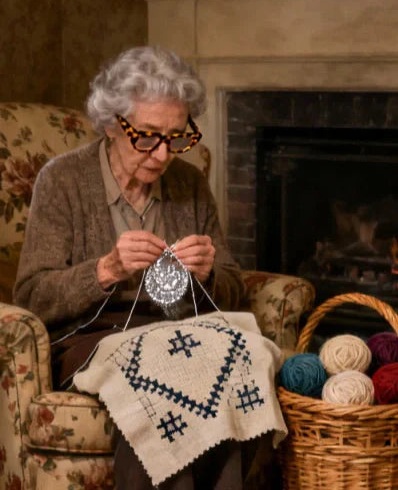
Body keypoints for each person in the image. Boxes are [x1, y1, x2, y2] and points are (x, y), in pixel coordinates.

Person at [14, 46, 250, 489]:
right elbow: (31, 296)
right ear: (110, 124)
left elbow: (236, 289)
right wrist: (105, 269)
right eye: (147, 136)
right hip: (93, 336)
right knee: (165, 378)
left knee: (227, 372)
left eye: (177, 137)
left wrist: (210, 275)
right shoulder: (62, 180)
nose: (162, 155)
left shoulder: (190, 184)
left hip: (178, 331)